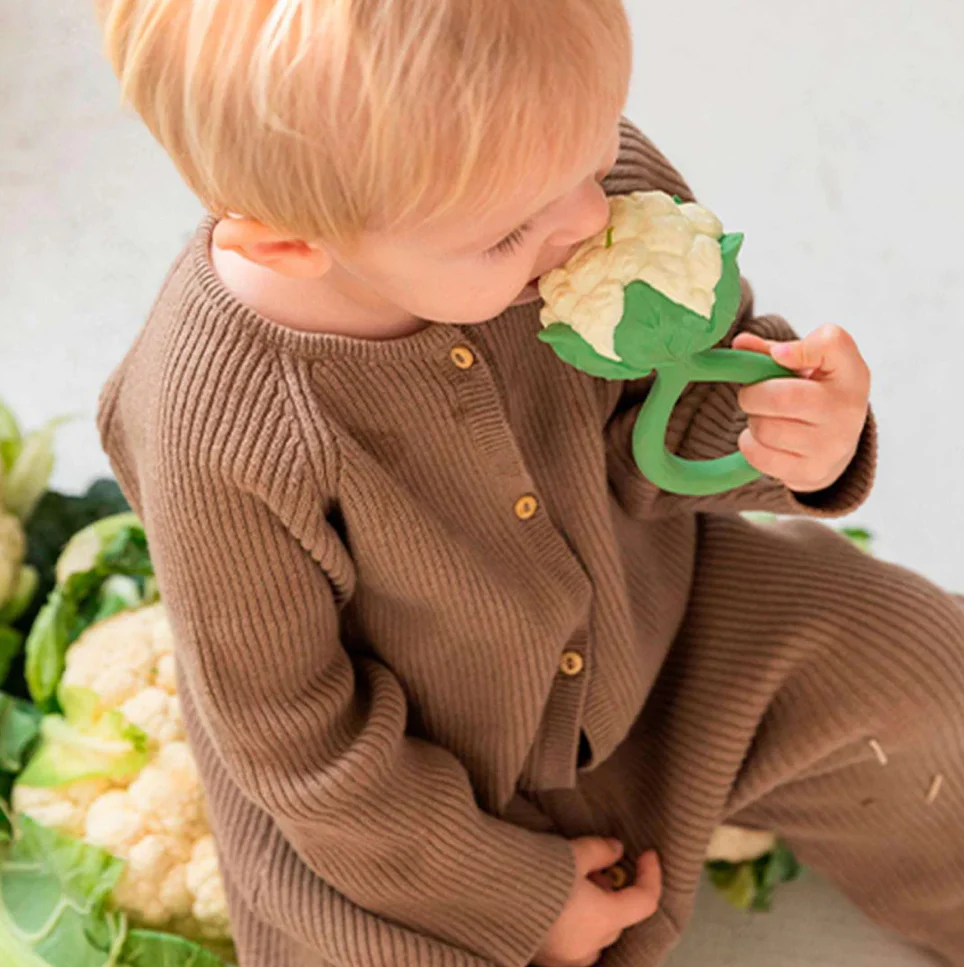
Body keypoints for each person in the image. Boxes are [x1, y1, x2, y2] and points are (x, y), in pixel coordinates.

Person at [93, 2, 964, 965]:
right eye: (510, 234)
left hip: (666, 624)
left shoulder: (552, 177)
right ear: (291, 244)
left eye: (596, 153)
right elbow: (296, 740)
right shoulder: (210, 429)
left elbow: (676, 392)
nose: (591, 218)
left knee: (924, 668)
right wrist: (509, 891)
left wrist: (792, 436)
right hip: (416, 786)